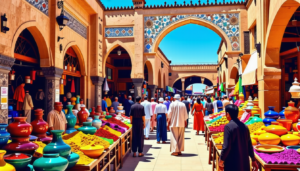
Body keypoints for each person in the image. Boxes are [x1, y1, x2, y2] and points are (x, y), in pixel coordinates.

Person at [219, 104, 258, 171]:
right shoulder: (245, 126)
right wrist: (253, 160)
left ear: (228, 114)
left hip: (232, 163)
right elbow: (249, 145)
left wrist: (221, 160)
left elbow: (226, 146)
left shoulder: (228, 127)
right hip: (244, 164)